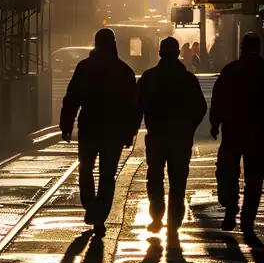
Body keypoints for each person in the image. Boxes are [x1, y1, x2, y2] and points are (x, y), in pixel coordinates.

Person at [59, 28, 139, 236]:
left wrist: (66, 124)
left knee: (85, 170)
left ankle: (91, 208)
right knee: (107, 175)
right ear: (113, 44)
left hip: (89, 126)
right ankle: (100, 216)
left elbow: (72, 97)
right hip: (113, 130)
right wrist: (130, 132)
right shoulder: (124, 70)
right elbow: (133, 105)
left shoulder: (84, 68)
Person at [210, 32, 264, 238]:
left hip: (233, 131)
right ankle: (248, 219)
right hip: (258, 134)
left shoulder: (231, 70)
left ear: (241, 47)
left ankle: (230, 205)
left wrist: (215, 123)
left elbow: (219, 98)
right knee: (254, 178)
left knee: (227, 172)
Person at [137, 36, 207, 236]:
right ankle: (175, 220)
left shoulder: (149, 77)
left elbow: (137, 106)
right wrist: (189, 128)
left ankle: (156, 217)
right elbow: (200, 107)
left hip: (156, 136)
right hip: (180, 138)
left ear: (160, 53)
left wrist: (133, 129)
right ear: (178, 54)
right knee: (178, 179)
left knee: (155, 176)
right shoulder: (188, 79)